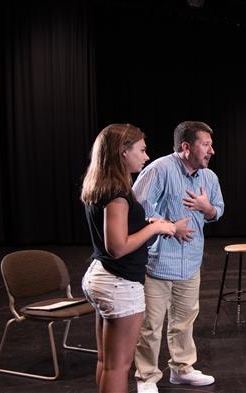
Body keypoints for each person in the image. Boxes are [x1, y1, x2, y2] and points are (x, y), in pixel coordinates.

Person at [80, 124, 181, 392]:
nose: (146, 157)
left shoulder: (104, 186)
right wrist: (155, 227)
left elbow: (118, 232)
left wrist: (147, 223)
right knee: (118, 366)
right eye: (142, 150)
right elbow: (118, 247)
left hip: (102, 276)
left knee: (106, 361)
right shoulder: (118, 193)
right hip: (118, 282)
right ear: (123, 152)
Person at [132, 121, 224, 393]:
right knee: (150, 326)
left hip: (191, 264)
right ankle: (146, 378)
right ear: (186, 147)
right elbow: (135, 212)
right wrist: (170, 226)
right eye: (205, 145)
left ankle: (181, 370)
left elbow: (218, 210)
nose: (212, 151)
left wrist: (208, 209)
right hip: (157, 263)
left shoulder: (210, 178)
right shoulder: (159, 170)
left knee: (184, 321)